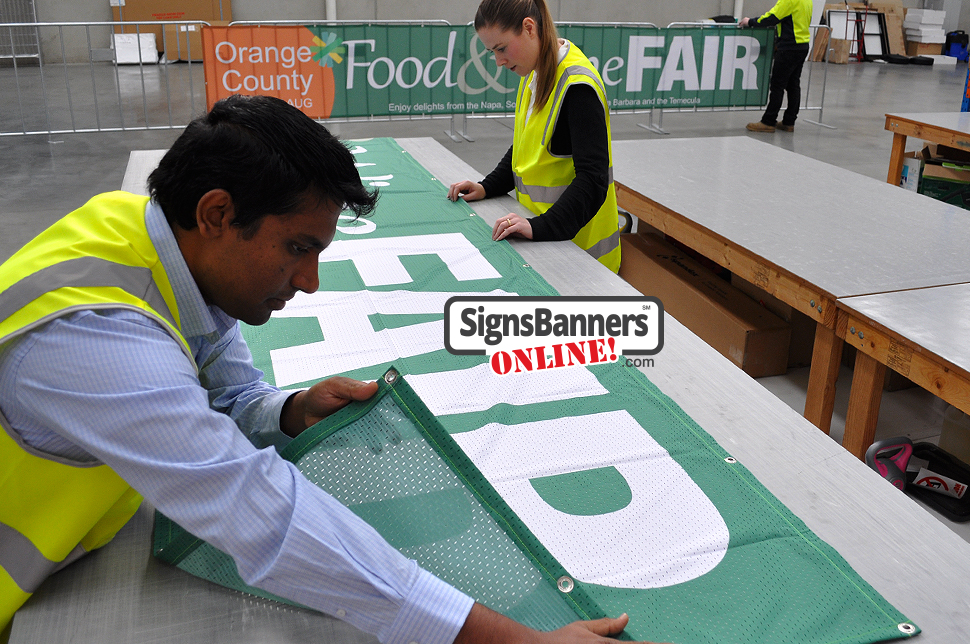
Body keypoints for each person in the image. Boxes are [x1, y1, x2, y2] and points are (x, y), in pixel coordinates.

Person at [0, 95, 664, 644]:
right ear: (216, 214)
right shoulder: (95, 338)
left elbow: (228, 394)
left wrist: (291, 411)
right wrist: (517, 640)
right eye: (297, 248)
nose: (311, 282)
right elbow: (260, 515)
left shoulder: (157, 241)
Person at [446, 0, 621, 274]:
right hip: (546, 244)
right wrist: (488, 186)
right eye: (492, 52)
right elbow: (527, 145)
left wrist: (538, 226)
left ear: (529, 28)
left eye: (501, 49)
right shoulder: (534, 74)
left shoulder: (577, 88)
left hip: (582, 259)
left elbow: (593, 180)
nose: (499, 62)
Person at [740, 0, 813, 133]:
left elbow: (772, 17)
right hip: (802, 45)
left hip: (788, 47)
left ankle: (768, 121)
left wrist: (750, 21)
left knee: (777, 86)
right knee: (793, 85)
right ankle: (789, 122)